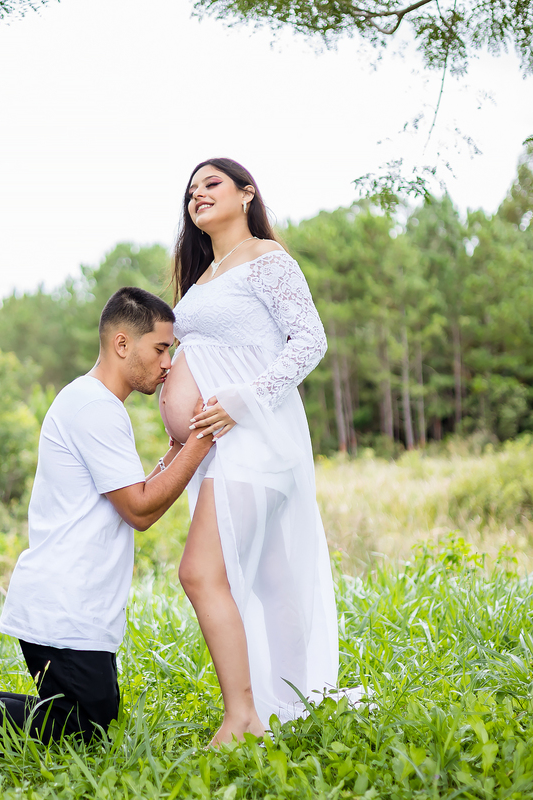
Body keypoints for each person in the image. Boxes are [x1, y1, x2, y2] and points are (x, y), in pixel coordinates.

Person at [0, 287, 214, 758]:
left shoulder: (93, 403)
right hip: (66, 604)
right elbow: (139, 509)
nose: (168, 364)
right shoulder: (95, 408)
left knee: (85, 720)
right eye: (161, 348)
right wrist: (202, 439)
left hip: (74, 603)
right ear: (122, 344)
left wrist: (179, 450)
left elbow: (135, 494)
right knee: (84, 731)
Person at [157, 158, 340, 745]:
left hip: (257, 440)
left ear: (246, 193)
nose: (198, 196)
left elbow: (310, 340)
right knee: (270, 580)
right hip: (217, 451)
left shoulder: (267, 259)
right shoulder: (204, 277)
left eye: (211, 185)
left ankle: (243, 719)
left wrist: (244, 400)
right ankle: (295, 707)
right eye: (190, 192)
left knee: (199, 571)